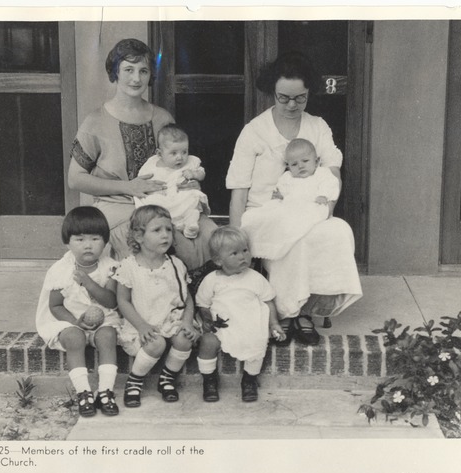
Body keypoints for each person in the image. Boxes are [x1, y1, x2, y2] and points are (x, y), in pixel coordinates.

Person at [225, 51, 362, 346]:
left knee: (338, 230)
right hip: (265, 213)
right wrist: (236, 235)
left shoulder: (318, 127)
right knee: (294, 239)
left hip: (308, 210)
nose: (291, 105)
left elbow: (332, 174)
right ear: (272, 92)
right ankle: (291, 313)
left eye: (300, 98)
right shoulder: (254, 132)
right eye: (283, 97)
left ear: (309, 93)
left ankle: (307, 308)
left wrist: (321, 210)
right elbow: (238, 189)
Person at [67, 38, 217, 271]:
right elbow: (75, 178)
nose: (136, 78)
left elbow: (177, 162)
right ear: (115, 72)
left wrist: (189, 182)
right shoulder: (95, 121)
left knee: (210, 235)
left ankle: (194, 298)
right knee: (146, 246)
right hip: (119, 206)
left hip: (167, 201)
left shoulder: (162, 118)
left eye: (143, 71)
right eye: (128, 70)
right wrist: (129, 187)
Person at [35, 206, 122, 418]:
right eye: (80, 239)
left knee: (108, 336)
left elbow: (111, 301)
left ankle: (105, 391)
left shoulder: (111, 268)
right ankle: (84, 393)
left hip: (104, 317)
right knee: (74, 338)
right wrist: (75, 322)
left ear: (105, 241)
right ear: (67, 242)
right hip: (70, 320)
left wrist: (89, 283)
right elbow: (55, 306)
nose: (88, 245)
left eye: (95, 239)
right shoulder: (61, 270)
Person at [112, 205, 200, 408]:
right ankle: (134, 380)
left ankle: (167, 378)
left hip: (171, 320)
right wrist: (142, 326)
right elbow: (122, 301)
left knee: (185, 338)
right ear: (139, 237)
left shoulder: (175, 264)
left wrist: (187, 321)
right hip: (142, 322)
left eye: (169, 230)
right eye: (157, 230)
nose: (165, 235)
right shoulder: (129, 266)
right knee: (155, 344)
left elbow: (186, 298)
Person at [195, 226, 286, 403]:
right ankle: (209, 379)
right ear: (218, 260)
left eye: (245, 250)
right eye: (234, 253)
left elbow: (268, 301)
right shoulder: (212, 279)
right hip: (222, 324)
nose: (242, 256)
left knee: (258, 341)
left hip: (249, 323)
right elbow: (203, 304)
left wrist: (274, 324)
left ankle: (250, 379)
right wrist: (207, 319)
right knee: (208, 341)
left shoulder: (255, 277)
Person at [240, 138, 339, 260]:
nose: (300, 166)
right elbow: (280, 192)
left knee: (302, 219)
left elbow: (331, 184)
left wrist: (323, 195)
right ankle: (263, 248)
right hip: (290, 208)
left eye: (305, 161)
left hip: (311, 206)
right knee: (256, 216)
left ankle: (285, 243)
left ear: (317, 161)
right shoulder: (287, 178)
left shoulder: (321, 174)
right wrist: (279, 196)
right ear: (288, 166)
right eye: (294, 164)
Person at [134, 124, 210, 239]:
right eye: (174, 153)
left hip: (181, 195)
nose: (180, 157)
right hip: (162, 197)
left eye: (184, 152)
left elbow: (202, 173)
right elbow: (142, 179)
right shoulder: (152, 164)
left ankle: (190, 225)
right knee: (151, 203)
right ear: (160, 153)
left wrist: (194, 174)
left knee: (192, 199)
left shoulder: (191, 162)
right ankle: (162, 225)